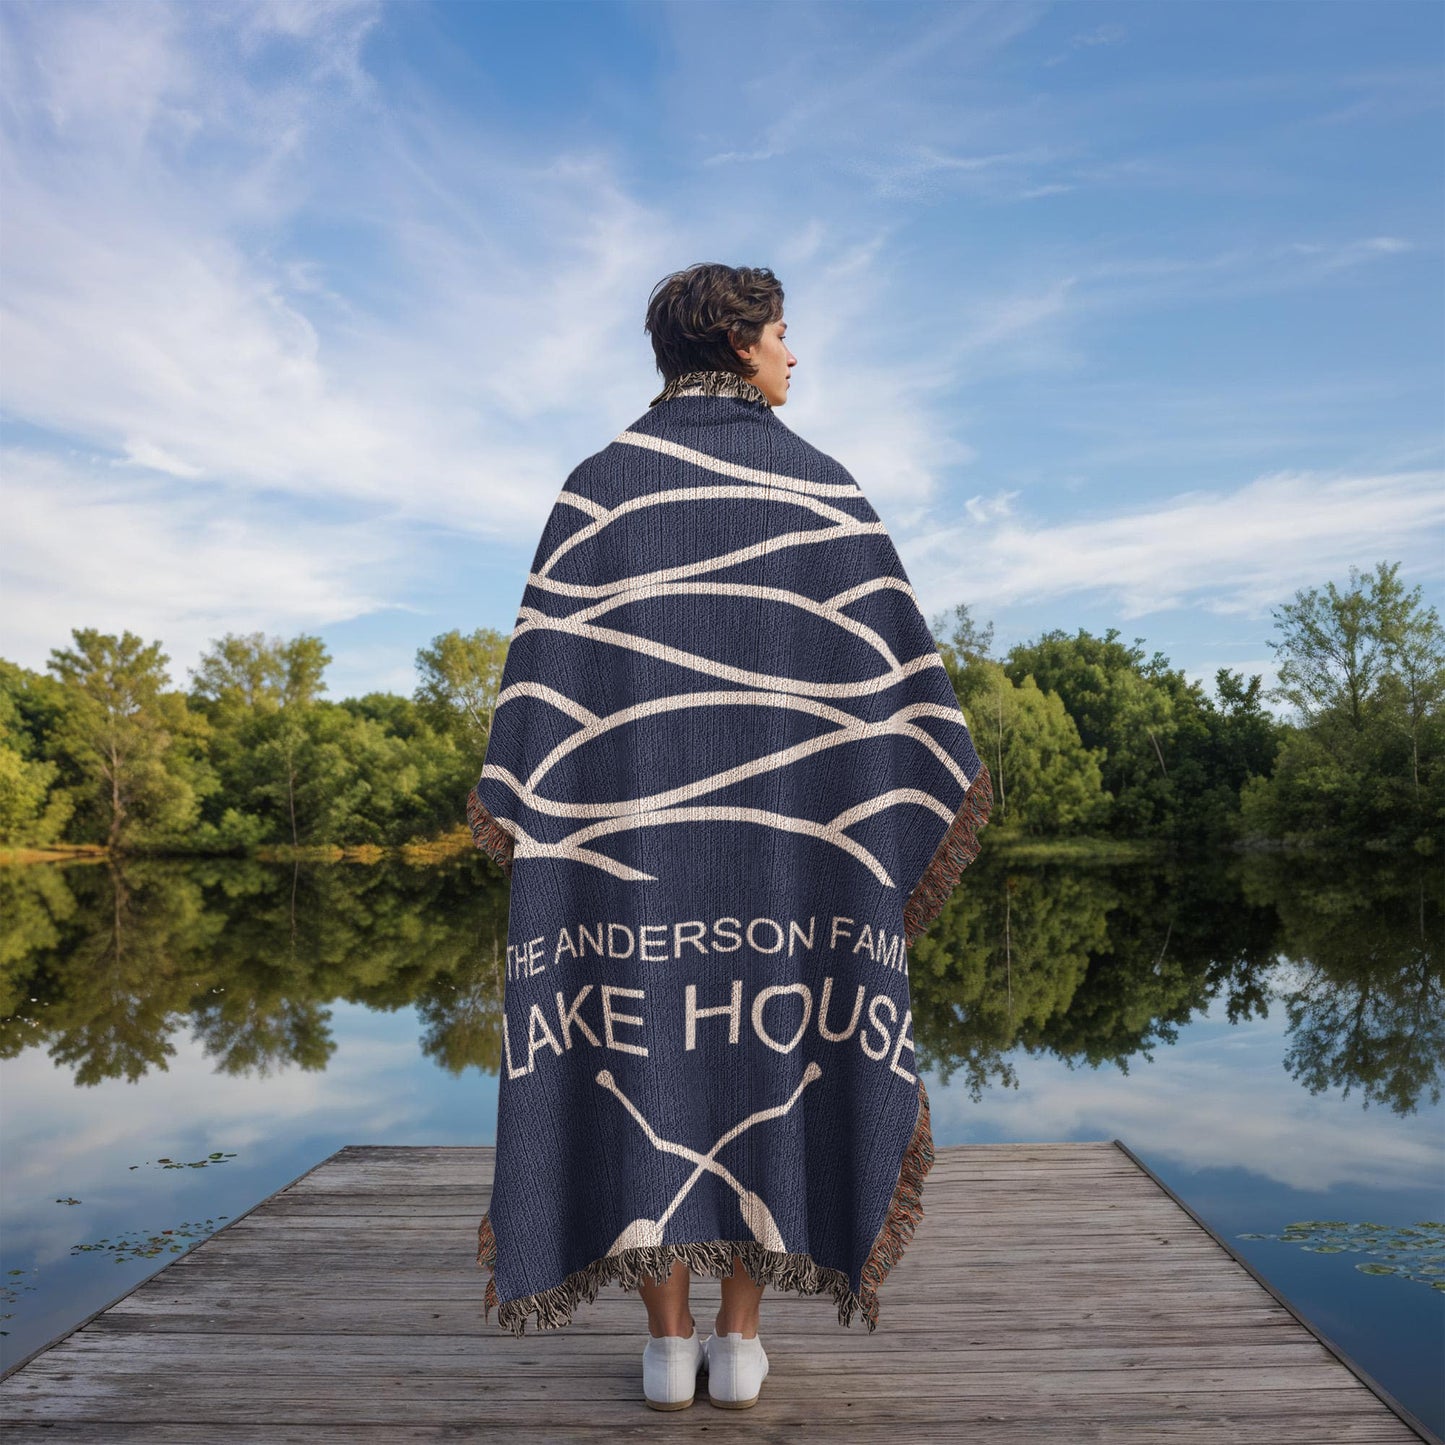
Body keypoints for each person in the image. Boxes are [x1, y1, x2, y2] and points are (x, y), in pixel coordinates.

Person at [467, 262, 992, 1412]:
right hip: (791, 863)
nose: (795, 356)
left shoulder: (594, 491)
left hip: (626, 863)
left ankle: (666, 1345)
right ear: (743, 340)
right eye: (785, 335)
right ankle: (739, 1338)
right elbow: (898, 707)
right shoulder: (823, 490)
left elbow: (543, 707)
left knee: (643, 1061)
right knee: (770, 1057)